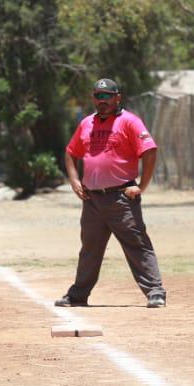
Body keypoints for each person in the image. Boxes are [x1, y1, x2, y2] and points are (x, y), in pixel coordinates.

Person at [54, 77, 167, 309]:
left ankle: (155, 292)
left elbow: (150, 151)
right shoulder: (87, 123)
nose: (102, 100)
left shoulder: (129, 122)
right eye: (97, 96)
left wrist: (141, 186)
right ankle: (78, 295)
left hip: (121, 198)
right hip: (92, 199)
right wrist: (75, 181)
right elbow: (70, 151)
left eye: (107, 96)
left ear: (117, 98)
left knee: (137, 244)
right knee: (90, 249)